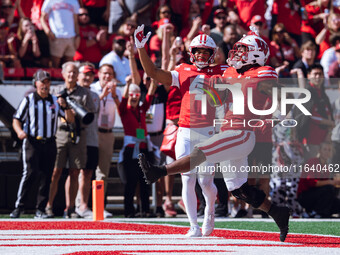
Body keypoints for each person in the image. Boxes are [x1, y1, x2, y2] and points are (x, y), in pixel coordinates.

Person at [138, 27, 291, 242]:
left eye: (243, 50)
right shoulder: (229, 72)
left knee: (202, 152)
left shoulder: (264, 72)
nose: (237, 54)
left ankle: (159, 171)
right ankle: (277, 211)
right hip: (227, 131)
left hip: (241, 132)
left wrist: (274, 117)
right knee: (238, 188)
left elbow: (280, 97)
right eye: (238, 50)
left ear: (256, 54)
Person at [135, 25, 229, 237]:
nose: (201, 55)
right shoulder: (183, 70)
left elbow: (245, 74)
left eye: (206, 52)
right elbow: (153, 73)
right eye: (198, 51)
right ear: (192, 53)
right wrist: (141, 48)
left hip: (209, 132)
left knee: (206, 182)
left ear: (213, 54)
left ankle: (210, 211)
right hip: (185, 130)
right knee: (187, 178)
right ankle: (193, 225)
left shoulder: (222, 71)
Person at [10, 70, 73, 219]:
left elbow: (70, 119)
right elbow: (16, 119)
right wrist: (19, 132)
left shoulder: (55, 101)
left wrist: (65, 106)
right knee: (30, 173)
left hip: (50, 142)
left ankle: (41, 209)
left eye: (47, 82)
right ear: (36, 83)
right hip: (32, 141)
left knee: (47, 175)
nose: (45, 85)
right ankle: (19, 207)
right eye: (42, 82)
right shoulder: (29, 100)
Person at [46, 61, 95, 218]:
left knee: (75, 171)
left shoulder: (84, 93)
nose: (72, 75)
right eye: (69, 72)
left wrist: (73, 111)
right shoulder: (57, 92)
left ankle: (71, 207)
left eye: (75, 72)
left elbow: (89, 115)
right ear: (63, 74)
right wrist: (64, 107)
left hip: (79, 134)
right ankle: (48, 206)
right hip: (61, 133)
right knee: (56, 170)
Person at [118, 77, 157, 218]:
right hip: (131, 149)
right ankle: (129, 211)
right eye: (131, 94)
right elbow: (123, 99)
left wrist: (154, 80)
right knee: (131, 181)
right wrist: (127, 84)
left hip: (144, 149)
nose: (134, 97)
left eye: (137, 94)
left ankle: (145, 210)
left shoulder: (141, 109)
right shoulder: (124, 109)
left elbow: (150, 95)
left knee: (145, 180)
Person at [90, 63, 121, 218]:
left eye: (110, 74)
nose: (107, 76)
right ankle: (81, 206)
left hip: (108, 133)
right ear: (99, 74)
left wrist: (114, 95)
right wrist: (102, 95)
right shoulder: (92, 89)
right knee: (87, 170)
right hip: (93, 133)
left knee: (103, 172)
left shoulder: (117, 91)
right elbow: (91, 108)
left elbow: (122, 111)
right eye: (104, 73)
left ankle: (100, 207)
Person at [75, 63, 100, 218]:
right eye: (84, 74)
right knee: (75, 172)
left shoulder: (95, 95)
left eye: (90, 75)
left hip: (92, 137)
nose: (87, 77)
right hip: (77, 138)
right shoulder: (73, 93)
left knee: (88, 172)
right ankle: (75, 205)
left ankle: (84, 205)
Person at [297, 142, 340, 218]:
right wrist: (331, 182)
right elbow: (313, 183)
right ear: (320, 151)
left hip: (317, 194)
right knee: (329, 188)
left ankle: (322, 213)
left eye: (329, 150)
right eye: (325, 149)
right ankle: (316, 213)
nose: (327, 152)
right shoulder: (312, 162)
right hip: (305, 196)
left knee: (337, 202)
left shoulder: (326, 167)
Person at [40, 0, 80, 68]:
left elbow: (75, 20)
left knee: (69, 65)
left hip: (71, 36)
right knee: (55, 64)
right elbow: (42, 18)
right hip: (57, 36)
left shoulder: (74, 1)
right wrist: (48, 32)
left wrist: (78, 35)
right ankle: (55, 78)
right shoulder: (49, 1)